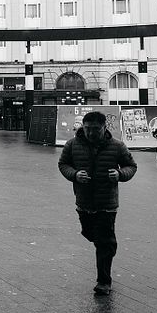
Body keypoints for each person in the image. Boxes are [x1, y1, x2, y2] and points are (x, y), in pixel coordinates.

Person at [58, 111, 138, 296]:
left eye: (95, 129)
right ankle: (106, 246)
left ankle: (103, 281)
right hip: (84, 201)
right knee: (89, 233)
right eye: (87, 128)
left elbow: (131, 166)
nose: (91, 132)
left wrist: (120, 174)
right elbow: (63, 164)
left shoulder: (117, 146)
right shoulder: (72, 144)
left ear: (104, 128)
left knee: (104, 242)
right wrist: (75, 174)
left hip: (107, 203)